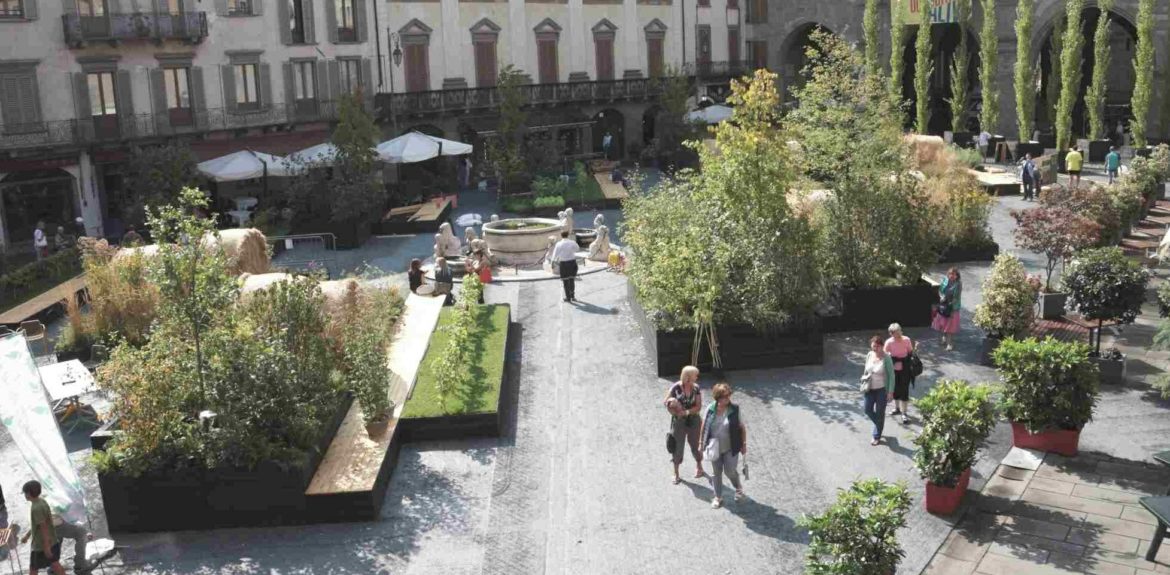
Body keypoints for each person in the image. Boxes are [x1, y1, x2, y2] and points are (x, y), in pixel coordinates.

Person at [699, 383, 746, 509]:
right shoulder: (710, 409)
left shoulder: (735, 409)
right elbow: (704, 426)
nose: (727, 399)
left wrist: (744, 444)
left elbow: (742, 427)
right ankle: (718, 497)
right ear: (718, 397)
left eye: (728, 396)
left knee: (730, 471)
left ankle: (738, 487)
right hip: (715, 447)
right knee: (716, 472)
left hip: (731, 446)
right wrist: (701, 443)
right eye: (724, 397)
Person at [664, 366, 704, 485]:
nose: (697, 377)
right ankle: (676, 473)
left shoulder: (696, 388)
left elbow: (698, 406)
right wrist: (673, 404)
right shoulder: (676, 387)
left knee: (696, 445)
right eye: (695, 375)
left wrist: (686, 412)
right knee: (677, 446)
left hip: (694, 420)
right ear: (688, 377)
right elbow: (665, 401)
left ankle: (699, 466)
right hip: (679, 421)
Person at [20, 480, 65, 575]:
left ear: (28, 494)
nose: (24, 495)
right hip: (52, 541)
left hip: (41, 546)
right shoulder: (41, 501)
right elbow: (40, 524)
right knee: (55, 564)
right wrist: (28, 535)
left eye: (25, 493)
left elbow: (43, 527)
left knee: (33, 568)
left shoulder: (36, 508)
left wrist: (46, 546)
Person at [860, 335, 895, 446]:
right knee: (867, 409)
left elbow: (892, 376)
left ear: (881, 346)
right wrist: (864, 380)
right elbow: (866, 370)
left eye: (876, 346)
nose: (874, 349)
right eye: (872, 346)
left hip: (881, 390)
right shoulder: (870, 355)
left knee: (880, 413)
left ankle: (876, 436)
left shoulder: (887, 358)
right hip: (870, 388)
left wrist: (890, 392)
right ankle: (880, 425)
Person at [884, 323, 914, 424]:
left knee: (904, 390)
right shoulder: (889, 342)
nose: (899, 334)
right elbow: (884, 354)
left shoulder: (906, 339)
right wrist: (891, 358)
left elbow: (910, 352)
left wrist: (905, 359)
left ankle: (904, 412)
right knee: (895, 389)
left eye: (899, 331)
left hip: (905, 369)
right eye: (896, 333)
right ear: (891, 334)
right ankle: (897, 408)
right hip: (893, 370)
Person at [932, 267, 962, 351]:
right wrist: (942, 296)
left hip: (953, 307)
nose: (951, 275)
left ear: (957, 275)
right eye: (950, 274)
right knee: (942, 324)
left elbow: (957, 297)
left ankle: (949, 344)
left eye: (954, 274)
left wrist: (952, 308)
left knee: (950, 326)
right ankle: (943, 337)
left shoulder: (958, 284)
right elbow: (940, 290)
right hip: (943, 305)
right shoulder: (945, 280)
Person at [551, 231, 579, 303]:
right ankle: (573, 296)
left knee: (565, 281)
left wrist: (552, 263)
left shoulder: (559, 244)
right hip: (572, 262)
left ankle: (568, 297)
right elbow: (577, 249)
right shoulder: (572, 242)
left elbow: (555, 254)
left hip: (563, 264)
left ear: (561, 236)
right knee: (572, 280)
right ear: (568, 235)